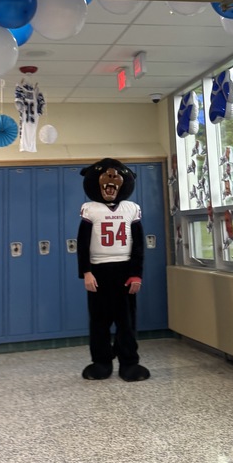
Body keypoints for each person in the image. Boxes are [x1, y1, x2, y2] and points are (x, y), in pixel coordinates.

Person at [77, 158, 150, 381]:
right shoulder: (90, 209)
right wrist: (86, 272)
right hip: (98, 271)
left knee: (127, 321)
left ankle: (129, 362)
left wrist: (136, 274)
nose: (111, 177)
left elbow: (138, 245)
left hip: (124, 270)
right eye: (104, 174)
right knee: (99, 321)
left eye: (118, 175)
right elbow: (82, 244)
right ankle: (101, 361)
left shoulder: (131, 209)